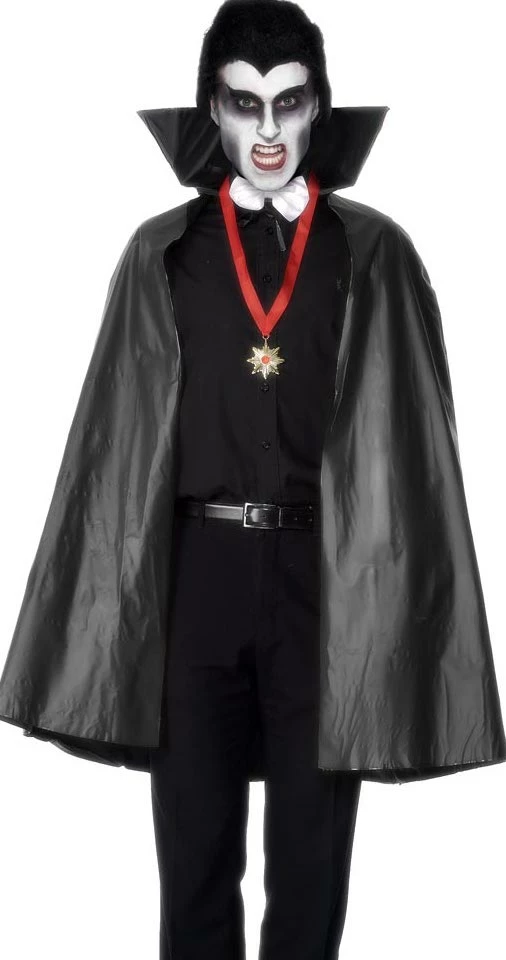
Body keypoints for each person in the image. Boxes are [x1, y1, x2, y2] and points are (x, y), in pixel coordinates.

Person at [0, 2, 504, 958]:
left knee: (311, 871)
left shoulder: (374, 252)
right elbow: (113, 443)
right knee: (193, 863)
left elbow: (416, 445)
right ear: (212, 112)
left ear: (320, 109)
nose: (267, 130)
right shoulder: (161, 253)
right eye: (243, 103)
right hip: (197, 578)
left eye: (289, 103)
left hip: (328, 582)